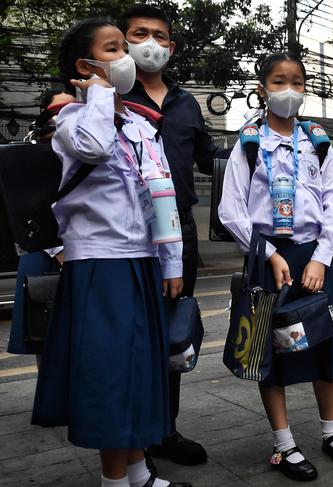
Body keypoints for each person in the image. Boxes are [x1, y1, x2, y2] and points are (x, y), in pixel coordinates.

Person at [30, 18, 189, 487]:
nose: (128, 56)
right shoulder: (70, 120)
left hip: (141, 260)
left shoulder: (140, 123)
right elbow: (95, 149)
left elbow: (163, 191)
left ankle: (139, 472)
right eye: (114, 48)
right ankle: (114, 481)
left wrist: (172, 260)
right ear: (85, 64)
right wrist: (98, 93)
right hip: (100, 264)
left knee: (141, 369)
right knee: (111, 375)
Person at [218, 52, 333, 482]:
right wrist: (268, 255)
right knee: (272, 353)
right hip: (268, 258)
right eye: (279, 82)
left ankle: (332, 433)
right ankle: (284, 445)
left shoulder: (318, 142)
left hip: (313, 257)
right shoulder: (247, 143)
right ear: (263, 89)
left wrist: (320, 257)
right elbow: (231, 211)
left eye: (297, 82)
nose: (289, 90)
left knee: (325, 347)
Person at [119, 4, 229, 464]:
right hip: (123, 236)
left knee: (173, 336)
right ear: (122, 42)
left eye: (158, 35)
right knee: (129, 336)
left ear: (171, 46)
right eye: (138, 34)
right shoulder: (104, 97)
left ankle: (165, 429)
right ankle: (127, 433)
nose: (149, 43)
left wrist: (254, 143)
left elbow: (208, 160)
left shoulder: (187, 104)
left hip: (179, 233)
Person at [7, 89, 74, 361]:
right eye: (56, 112)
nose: (63, 118)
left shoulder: (90, 150)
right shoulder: (30, 155)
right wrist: (58, 250)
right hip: (45, 254)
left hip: (83, 253)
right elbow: (23, 210)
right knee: (47, 341)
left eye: (71, 109)